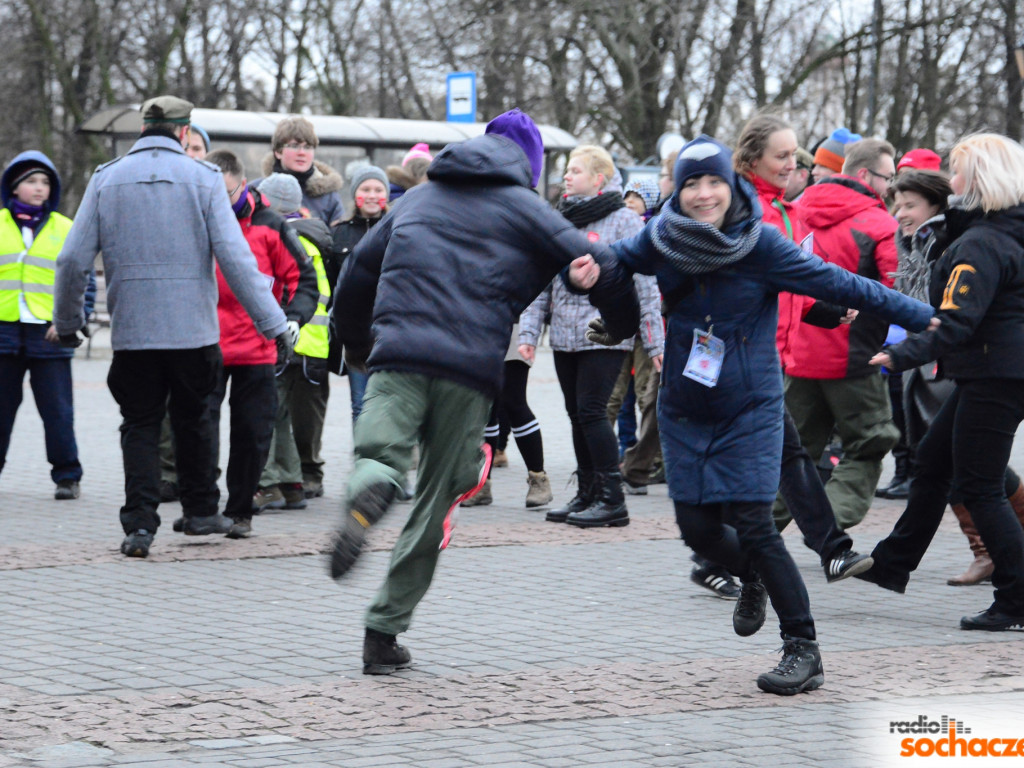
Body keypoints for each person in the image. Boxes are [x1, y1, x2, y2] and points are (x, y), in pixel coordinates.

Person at [597, 134, 934, 694]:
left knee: (755, 524)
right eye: (691, 184)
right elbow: (607, 267)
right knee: (699, 531)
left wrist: (927, 318)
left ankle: (803, 648)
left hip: (750, 406)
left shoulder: (762, 246)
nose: (703, 195)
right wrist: (579, 275)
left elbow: (843, 284)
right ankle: (751, 571)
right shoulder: (659, 239)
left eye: (713, 183)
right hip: (684, 408)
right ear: (677, 191)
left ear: (731, 185)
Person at [328, 108, 640, 675]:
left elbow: (355, 276)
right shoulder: (527, 209)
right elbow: (604, 265)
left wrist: (352, 344)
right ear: (531, 166)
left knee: (378, 450)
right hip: (469, 370)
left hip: (397, 353)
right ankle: (383, 631)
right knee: (436, 501)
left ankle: (371, 485)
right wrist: (617, 321)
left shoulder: (415, 200)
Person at [52, 95, 291, 558]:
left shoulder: (106, 179)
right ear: (185, 132)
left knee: (139, 424)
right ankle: (201, 511)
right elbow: (236, 261)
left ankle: (140, 525)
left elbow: (70, 260)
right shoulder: (203, 179)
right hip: (194, 332)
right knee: (194, 417)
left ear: (144, 129)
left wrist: (67, 324)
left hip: (134, 334)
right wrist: (274, 325)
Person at [861, 133, 1024, 632]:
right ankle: (892, 562)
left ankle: (1016, 600)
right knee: (933, 460)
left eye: (957, 173)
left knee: (979, 486)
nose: (948, 184)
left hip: (994, 373)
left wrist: (897, 355)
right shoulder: (998, 234)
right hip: (996, 371)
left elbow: (954, 322)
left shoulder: (981, 245)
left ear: (976, 182)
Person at [734, 114, 873, 583]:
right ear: (753, 158)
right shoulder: (740, 209)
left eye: (795, 155)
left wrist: (830, 311)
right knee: (778, 459)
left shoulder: (787, 212)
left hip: (772, 361)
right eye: (782, 155)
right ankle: (723, 557)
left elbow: (789, 290)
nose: (793, 164)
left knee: (788, 457)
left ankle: (824, 551)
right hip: (739, 358)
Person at [519, 145, 663, 528]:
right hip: (564, 337)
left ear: (599, 179)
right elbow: (541, 282)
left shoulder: (624, 221)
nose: (567, 176)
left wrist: (654, 341)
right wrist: (530, 333)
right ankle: (587, 493)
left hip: (605, 333)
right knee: (575, 415)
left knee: (593, 412)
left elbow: (646, 285)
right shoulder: (558, 220)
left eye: (575, 170)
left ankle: (612, 498)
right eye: (566, 170)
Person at [778, 138, 902, 532]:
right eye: (888, 177)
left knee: (793, 453)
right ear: (865, 174)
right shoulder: (880, 223)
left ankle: (746, 541)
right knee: (871, 440)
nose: (892, 187)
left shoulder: (796, 211)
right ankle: (828, 526)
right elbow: (895, 292)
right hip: (854, 358)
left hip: (798, 354)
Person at [201, 150, 317, 537]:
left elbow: (303, 279)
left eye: (225, 193)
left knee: (251, 434)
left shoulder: (270, 224)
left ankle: (240, 511)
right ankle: (200, 507)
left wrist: (293, 319)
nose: (217, 202)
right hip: (204, 343)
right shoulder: (197, 217)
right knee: (198, 428)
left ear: (239, 182)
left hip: (256, 346)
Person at [0, 152, 86, 500]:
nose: (40, 188)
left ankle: (67, 476)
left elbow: (82, 281)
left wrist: (67, 322)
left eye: (45, 182)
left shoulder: (66, 228)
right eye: (32, 181)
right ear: (14, 187)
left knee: (58, 413)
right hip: (4, 332)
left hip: (49, 334)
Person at [253, 173, 336, 508]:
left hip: (283, 340)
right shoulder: (317, 237)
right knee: (289, 416)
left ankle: (268, 483)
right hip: (314, 345)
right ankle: (293, 483)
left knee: (267, 414)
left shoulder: (279, 237)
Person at [328, 165, 391, 434]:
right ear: (355, 195)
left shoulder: (399, 227)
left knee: (391, 401)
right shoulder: (339, 233)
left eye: (379, 189)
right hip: (356, 337)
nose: (373, 195)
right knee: (360, 403)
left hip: (391, 331)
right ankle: (364, 458)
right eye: (366, 189)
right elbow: (331, 284)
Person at [258, 116, 344, 226]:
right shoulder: (258, 191)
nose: (302, 152)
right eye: (294, 146)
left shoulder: (329, 198)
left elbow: (337, 239)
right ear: (278, 152)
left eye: (308, 147)